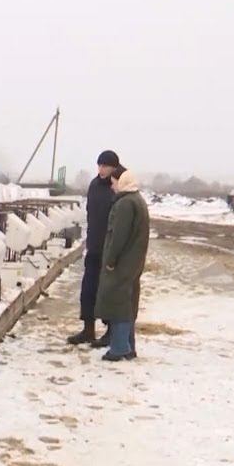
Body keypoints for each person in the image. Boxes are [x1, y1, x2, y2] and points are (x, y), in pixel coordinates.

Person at [67, 150, 124, 346]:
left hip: (110, 248)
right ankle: (88, 329)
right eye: (99, 165)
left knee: (108, 292)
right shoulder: (94, 185)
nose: (101, 169)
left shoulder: (118, 187)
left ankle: (110, 331)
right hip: (94, 246)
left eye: (105, 166)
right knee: (88, 290)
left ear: (114, 167)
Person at [95, 169, 150, 362]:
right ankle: (128, 346)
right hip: (133, 261)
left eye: (114, 182)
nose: (112, 186)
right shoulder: (138, 200)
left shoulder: (125, 204)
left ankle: (119, 348)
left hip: (122, 263)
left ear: (122, 182)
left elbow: (118, 236)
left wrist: (110, 260)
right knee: (128, 303)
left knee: (118, 303)